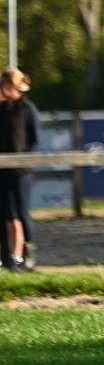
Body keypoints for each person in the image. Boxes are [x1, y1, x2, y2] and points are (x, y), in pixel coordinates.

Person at [0, 68, 40, 271]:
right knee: (6, 214)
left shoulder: (27, 108)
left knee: (22, 212)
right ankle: (8, 257)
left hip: (21, 170)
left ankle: (29, 256)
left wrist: (23, 159)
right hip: (2, 169)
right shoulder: (2, 108)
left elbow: (34, 139)